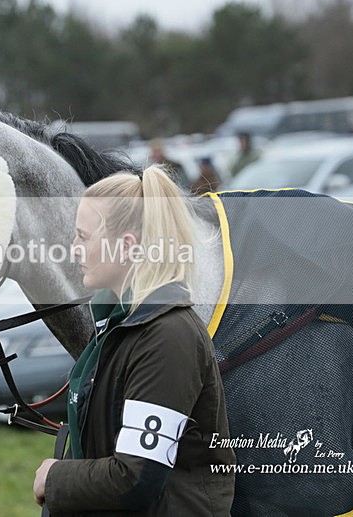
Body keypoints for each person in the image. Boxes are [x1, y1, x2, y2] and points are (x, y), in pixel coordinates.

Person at [33, 165, 236, 516]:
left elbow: (136, 478)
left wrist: (55, 478)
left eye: (83, 237)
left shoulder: (168, 338)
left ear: (126, 246)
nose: (75, 249)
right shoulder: (122, 325)